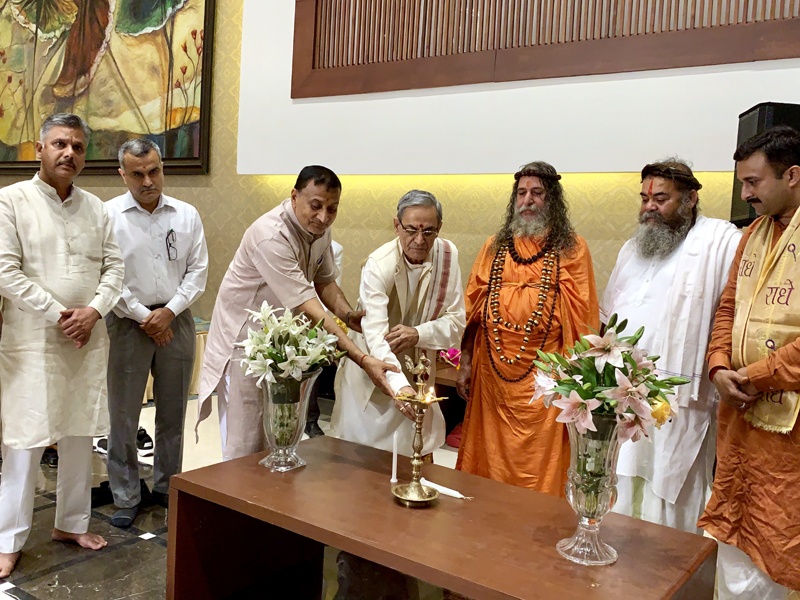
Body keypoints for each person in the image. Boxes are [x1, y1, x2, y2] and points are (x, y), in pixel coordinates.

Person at [197, 165, 398, 460]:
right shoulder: (270, 235)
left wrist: (347, 314)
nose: (323, 217)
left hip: (284, 342)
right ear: (294, 196)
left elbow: (324, 281)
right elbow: (309, 304)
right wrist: (363, 359)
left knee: (281, 434)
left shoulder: (320, 229)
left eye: (332, 208)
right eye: (315, 206)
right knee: (246, 440)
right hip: (244, 343)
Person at [0, 113, 125, 577]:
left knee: (79, 433)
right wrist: (60, 314)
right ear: (39, 149)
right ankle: (7, 540)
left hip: (86, 340)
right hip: (32, 341)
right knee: (25, 440)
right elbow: (6, 271)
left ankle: (71, 524)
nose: (69, 153)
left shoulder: (97, 209)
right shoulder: (11, 201)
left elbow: (115, 268)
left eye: (77, 146)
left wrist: (93, 311)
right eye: (59, 144)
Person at [602, 159, 740, 533]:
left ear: (690, 199)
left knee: (671, 492)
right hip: (623, 393)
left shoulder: (721, 243)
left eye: (660, 199)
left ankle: (671, 564)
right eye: (645, 198)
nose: (649, 207)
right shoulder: (632, 249)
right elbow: (609, 316)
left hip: (680, 400)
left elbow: (734, 312)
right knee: (622, 478)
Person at [455, 161, 598, 496]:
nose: (527, 200)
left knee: (538, 466)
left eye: (537, 193)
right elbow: (472, 311)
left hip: (547, 379)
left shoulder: (572, 248)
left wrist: (579, 381)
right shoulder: (494, 246)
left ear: (553, 200)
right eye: (521, 193)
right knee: (489, 458)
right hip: (492, 378)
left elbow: (583, 318)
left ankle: (538, 520)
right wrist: (466, 363)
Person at [699, 126, 800, 599]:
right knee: (732, 527)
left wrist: (757, 377)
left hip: (789, 431)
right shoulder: (753, 234)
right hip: (739, 416)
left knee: (777, 534)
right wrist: (719, 365)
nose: (745, 194)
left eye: (753, 182)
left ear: (792, 175)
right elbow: (729, 307)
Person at [104, 138, 208, 527]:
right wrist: (143, 316)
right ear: (123, 174)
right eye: (138, 174)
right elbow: (108, 276)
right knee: (123, 415)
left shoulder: (186, 214)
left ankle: (167, 487)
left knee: (173, 411)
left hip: (176, 319)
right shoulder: (108, 216)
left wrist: (168, 312)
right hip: (127, 323)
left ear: (162, 168)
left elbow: (198, 271)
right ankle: (126, 494)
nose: (148, 181)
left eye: (154, 171)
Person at [332, 190, 466, 456]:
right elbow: (375, 334)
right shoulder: (378, 264)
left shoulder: (447, 256)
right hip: (374, 368)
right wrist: (399, 386)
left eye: (428, 231)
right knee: (362, 456)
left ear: (439, 228)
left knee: (414, 450)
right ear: (397, 226)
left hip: (418, 367)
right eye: (411, 230)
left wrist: (418, 333)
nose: (419, 240)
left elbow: (456, 322)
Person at [304, 238, 344, 438]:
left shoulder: (333, 248)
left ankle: (310, 419)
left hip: (315, 318)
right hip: (283, 311)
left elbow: (330, 288)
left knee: (313, 367)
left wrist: (318, 321)